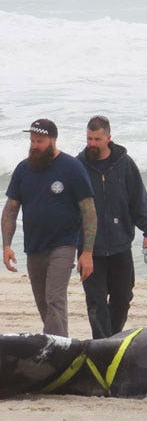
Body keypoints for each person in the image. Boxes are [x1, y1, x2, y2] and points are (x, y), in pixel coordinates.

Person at [2, 118, 97, 337]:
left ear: (53, 140)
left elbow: (89, 211)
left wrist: (88, 252)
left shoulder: (72, 167)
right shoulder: (23, 169)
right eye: (33, 140)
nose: (35, 145)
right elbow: (10, 210)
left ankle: (56, 351)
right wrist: (6, 245)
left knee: (55, 298)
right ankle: (58, 341)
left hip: (63, 245)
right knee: (43, 302)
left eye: (40, 141)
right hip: (34, 246)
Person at [77, 115, 147, 338]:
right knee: (96, 302)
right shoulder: (78, 166)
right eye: (89, 138)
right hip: (90, 249)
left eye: (97, 139)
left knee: (123, 297)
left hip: (121, 245)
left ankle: (111, 339)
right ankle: (102, 345)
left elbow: (138, 199)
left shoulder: (124, 164)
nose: (92, 143)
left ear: (108, 138)